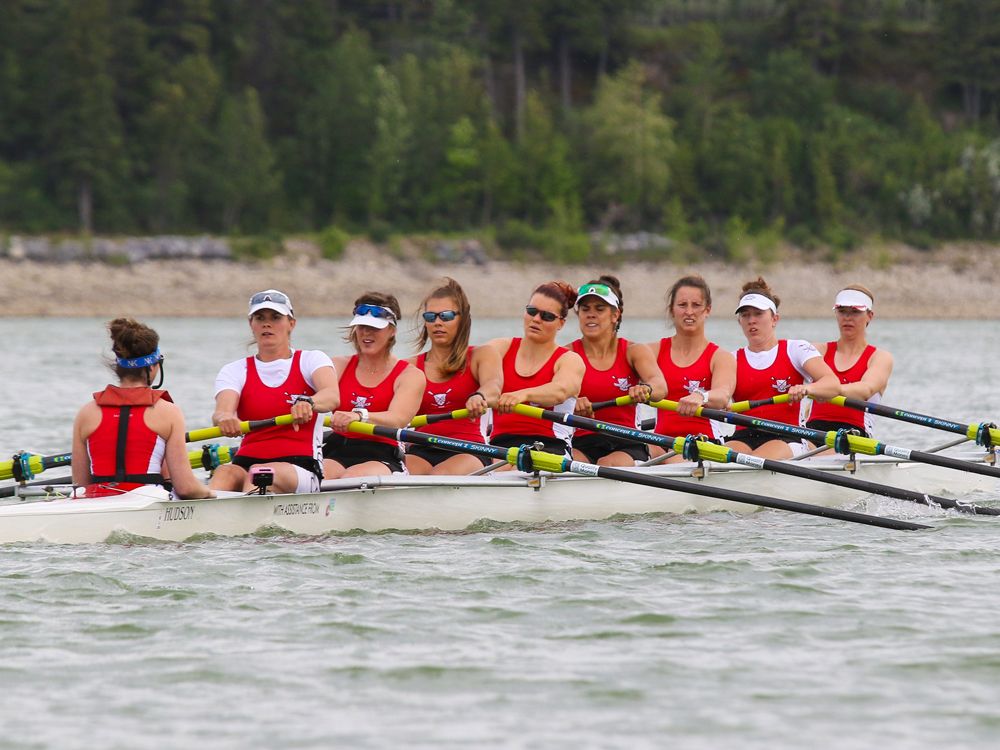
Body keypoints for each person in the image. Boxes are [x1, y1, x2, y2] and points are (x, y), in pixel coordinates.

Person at [210, 290, 339, 494]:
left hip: (302, 467)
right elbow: (222, 411)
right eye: (260, 318)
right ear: (251, 325)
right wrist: (225, 418)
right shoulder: (234, 370)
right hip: (246, 461)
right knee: (223, 473)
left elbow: (331, 396)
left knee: (260, 473)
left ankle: (244, 520)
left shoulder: (312, 360)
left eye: (276, 317)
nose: (267, 324)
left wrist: (309, 402)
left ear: (291, 324)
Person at [71, 318, 212, 499]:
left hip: (96, 503)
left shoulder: (86, 413)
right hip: (147, 500)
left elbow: (80, 486)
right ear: (153, 367)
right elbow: (185, 488)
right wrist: (210, 493)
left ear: (117, 366)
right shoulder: (168, 412)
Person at [727, 277, 841, 459]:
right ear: (739, 321)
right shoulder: (731, 359)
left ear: (774, 319)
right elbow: (719, 394)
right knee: (716, 461)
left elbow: (833, 384)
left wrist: (807, 389)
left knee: (754, 460)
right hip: (744, 436)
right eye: (745, 315)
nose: (751, 321)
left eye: (758, 314)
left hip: (788, 435)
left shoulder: (796, 349)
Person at [405, 278, 503, 475]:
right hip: (421, 449)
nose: (438, 322)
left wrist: (480, 397)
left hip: (469, 449)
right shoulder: (410, 366)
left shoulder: (481, 355)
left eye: (446, 316)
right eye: (431, 316)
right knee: (400, 473)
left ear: (462, 319)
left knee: (439, 476)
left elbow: (494, 387)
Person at [322, 293, 425, 478]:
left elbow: (398, 419)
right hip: (337, 449)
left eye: (374, 328)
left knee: (352, 477)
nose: (366, 333)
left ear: (392, 330)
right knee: (319, 476)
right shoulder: (336, 365)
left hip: (383, 453)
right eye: (362, 326)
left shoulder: (410, 375)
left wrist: (358, 415)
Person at [570, 275, 667, 466]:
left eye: (599, 309)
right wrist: (570, 401)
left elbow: (660, 386)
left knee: (607, 463)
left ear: (615, 315)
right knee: (568, 463)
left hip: (626, 440)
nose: (591, 314)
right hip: (582, 442)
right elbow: (554, 394)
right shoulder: (567, 354)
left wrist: (646, 389)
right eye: (585, 309)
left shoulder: (634, 351)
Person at [486, 281, 586, 461]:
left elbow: (560, 390)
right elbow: (467, 366)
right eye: (532, 311)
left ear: (561, 323)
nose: (536, 319)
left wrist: (522, 395)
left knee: (512, 467)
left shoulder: (569, 359)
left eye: (547, 316)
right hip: (500, 446)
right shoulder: (499, 347)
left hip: (550, 447)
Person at [646, 275, 737, 460]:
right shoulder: (651, 351)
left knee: (671, 460)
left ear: (707, 310)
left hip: (703, 443)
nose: (689, 312)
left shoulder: (720, 357)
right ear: (672, 310)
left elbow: (723, 395)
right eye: (682, 305)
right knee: (630, 454)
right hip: (660, 442)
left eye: (696, 305)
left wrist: (701, 396)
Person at [805, 285, 894, 438]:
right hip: (812, 431)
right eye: (842, 311)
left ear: (870, 316)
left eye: (855, 312)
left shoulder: (880, 357)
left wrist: (828, 390)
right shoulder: (816, 350)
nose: (847, 317)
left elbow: (866, 390)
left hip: (854, 434)